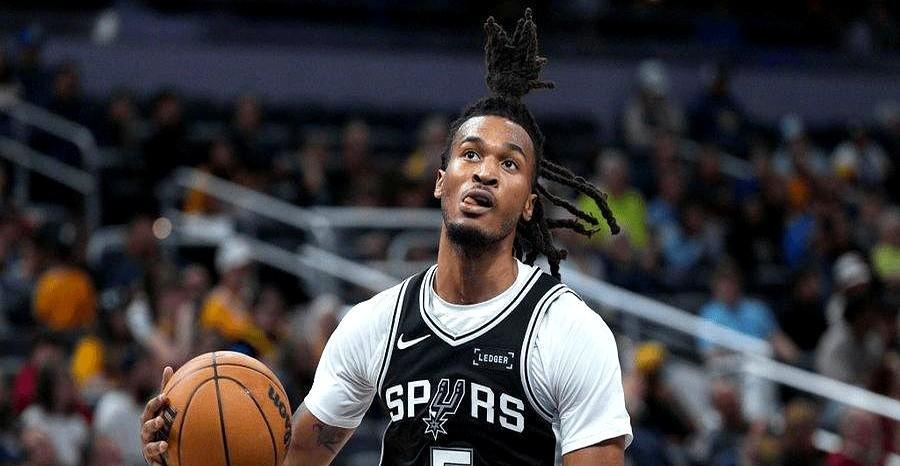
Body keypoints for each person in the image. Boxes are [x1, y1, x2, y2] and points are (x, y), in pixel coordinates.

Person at [140, 9, 632, 466]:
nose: (484, 173)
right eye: (470, 154)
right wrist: (186, 447)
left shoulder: (568, 331)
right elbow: (293, 460)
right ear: (440, 181)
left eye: (509, 164)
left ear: (529, 203)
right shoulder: (376, 324)